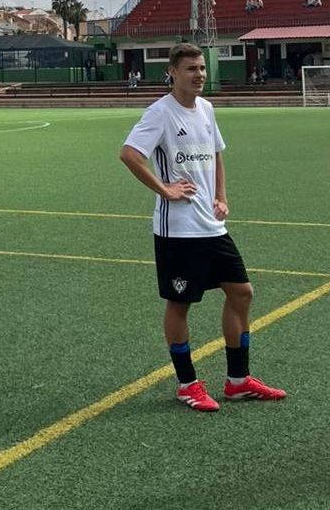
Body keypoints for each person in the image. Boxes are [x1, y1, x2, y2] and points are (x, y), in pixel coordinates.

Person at [119, 43, 286, 413]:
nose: (199, 75)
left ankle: (238, 381)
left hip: (211, 225)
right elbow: (130, 153)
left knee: (242, 292)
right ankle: (187, 384)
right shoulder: (160, 113)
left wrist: (221, 196)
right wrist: (164, 189)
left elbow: (216, 154)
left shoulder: (207, 109)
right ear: (173, 73)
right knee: (180, 304)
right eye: (191, 69)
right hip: (178, 230)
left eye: (202, 68)